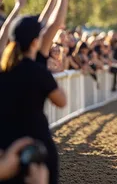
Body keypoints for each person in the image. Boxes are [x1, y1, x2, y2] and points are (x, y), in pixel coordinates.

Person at [0, 15, 67, 184]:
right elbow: (61, 101)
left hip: (6, 146)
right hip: (37, 144)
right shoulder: (38, 72)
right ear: (35, 42)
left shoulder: (4, 71)